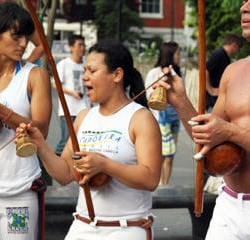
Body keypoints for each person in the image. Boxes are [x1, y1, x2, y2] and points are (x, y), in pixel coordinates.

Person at [16, 40, 162, 240]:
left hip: (126, 227)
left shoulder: (140, 118)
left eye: (92, 71)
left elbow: (151, 178)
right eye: (84, 70)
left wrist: (104, 165)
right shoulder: (84, 117)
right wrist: (40, 144)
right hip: (83, 225)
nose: (84, 77)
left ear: (117, 75)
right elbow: (65, 174)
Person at [154, 1, 250, 238]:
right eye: (243, 1)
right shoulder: (233, 71)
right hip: (228, 206)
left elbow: (224, 132)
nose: (243, 8)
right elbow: (208, 138)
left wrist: (230, 132)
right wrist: (181, 103)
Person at [0, 2, 52, 240]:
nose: (23, 44)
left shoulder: (34, 75)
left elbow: (42, 129)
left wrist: (4, 114)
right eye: (16, 36)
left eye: (25, 37)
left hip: (18, 192)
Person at [145, 41, 181, 185]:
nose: (180, 57)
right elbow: (148, 95)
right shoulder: (154, 73)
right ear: (170, 55)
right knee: (164, 155)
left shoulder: (178, 73)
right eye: (178, 53)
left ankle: (165, 184)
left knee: (170, 155)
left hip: (174, 119)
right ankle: (159, 185)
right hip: (161, 119)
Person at [54, 34, 90, 156]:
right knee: (66, 140)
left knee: (82, 140)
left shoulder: (86, 65)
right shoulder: (64, 64)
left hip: (85, 109)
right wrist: (72, 93)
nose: (83, 48)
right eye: (79, 45)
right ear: (71, 47)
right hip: (68, 109)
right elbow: (55, 84)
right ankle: (53, 166)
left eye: (84, 45)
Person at [206, 33, 243, 112]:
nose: (237, 51)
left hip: (218, 97)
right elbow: (205, 70)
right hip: (212, 100)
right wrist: (210, 90)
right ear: (234, 45)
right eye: (238, 48)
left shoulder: (226, 57)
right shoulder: (218, 54)